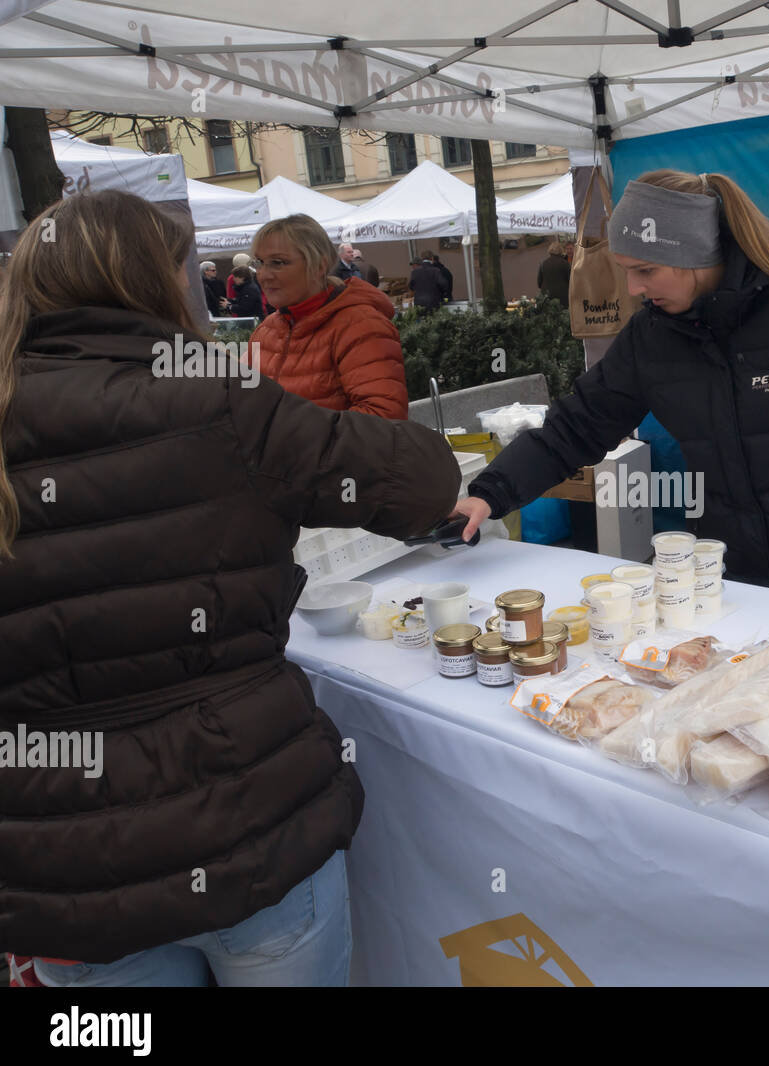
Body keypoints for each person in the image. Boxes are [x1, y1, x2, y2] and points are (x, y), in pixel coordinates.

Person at [0, 189, 462, 985]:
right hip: (244, 828)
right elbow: (423, 478)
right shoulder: (217, 397)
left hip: (61, 865)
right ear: (160, 282)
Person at [454, 170, 769, 602]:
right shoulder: (650, 338)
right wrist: (490, 493)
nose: (632, 288)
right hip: (728, 579)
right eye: (626, 270)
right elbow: (575, 428)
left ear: (693, 254)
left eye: (646, 270)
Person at [251, 215, 409, 419]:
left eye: (278, 263)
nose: (264, 275)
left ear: (319, 266)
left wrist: (283, 435)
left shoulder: (361, 325)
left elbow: (383, 419)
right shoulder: (266, 330)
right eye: (260, 263)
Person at [537, 240, 571, 306]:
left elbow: (539, 283)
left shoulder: (543, 264)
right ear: (561, 250)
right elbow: (571, 282)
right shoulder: (565, 264)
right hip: (563, 298)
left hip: (546, 297)